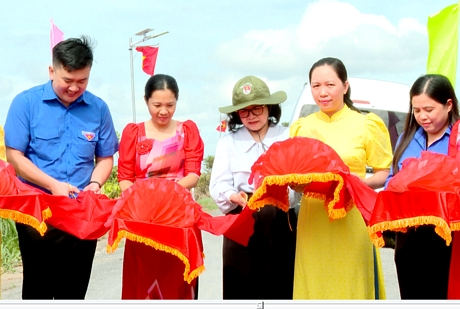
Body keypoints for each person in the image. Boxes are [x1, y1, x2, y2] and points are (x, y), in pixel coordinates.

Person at [3, 36, 119, 299]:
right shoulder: (26, 104)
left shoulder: (98, 109)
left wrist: (95, 184)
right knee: (38, 289)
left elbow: (105, 158)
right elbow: (15, 157)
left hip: (82, 212)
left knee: (74, 290)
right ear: (51, 70)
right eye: (68, 80)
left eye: (82, 81)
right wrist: (52, 185)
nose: (74, 88)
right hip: (38, 212)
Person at [290, 57, 392, 299]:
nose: (323, 92)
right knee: (314, 284)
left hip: (352, 215)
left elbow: (382, 172)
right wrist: (296, 183)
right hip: (313, 218)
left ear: (345, 86)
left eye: (330, 85)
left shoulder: (366, 124)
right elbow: (294, 171)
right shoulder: (302, 127)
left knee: (352, 283)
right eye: (316, 86)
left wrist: (353, 186)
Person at [209, 75, 299, 300]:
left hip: (281, 218)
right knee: (241, 284)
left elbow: (298, 182)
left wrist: (282, 195)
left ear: (269, 107)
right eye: (244, 111)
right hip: (242, 218)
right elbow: (218, 183)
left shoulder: (287, 136)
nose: (251, 116)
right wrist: (233, 196)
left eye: (257, 109)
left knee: (281, 281)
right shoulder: (228, 142)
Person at [117, 74, 204, 299]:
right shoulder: (133, 133)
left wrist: (166, 193)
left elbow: (193, 175)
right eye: (157, 105)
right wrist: (142, 201)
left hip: (179, 217)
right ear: (146, 101)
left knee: (177, 281)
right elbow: (125, 177)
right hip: (143, 219)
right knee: (143, 281)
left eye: (170, 105)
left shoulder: (187, 131)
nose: (163, 111)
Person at [384, 74, 459, 299]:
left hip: (446, 239)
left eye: (429, 109)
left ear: (448, 105)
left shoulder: (457, 139)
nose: (422, 117)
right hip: (409, 239)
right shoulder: (406, 138)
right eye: (417, 110)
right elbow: (390, 179)